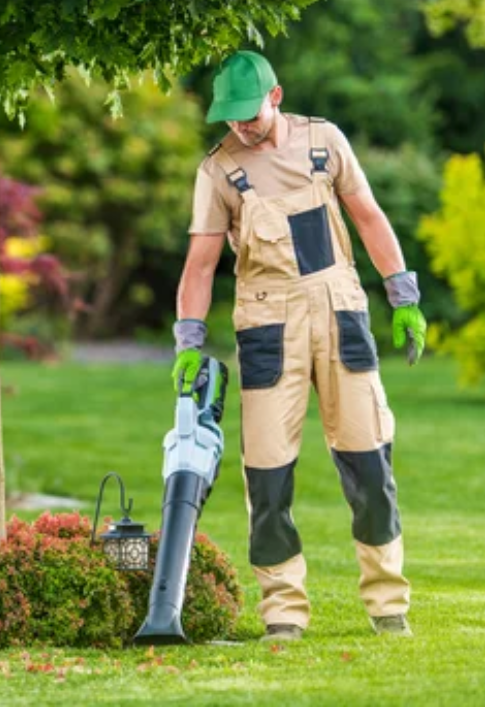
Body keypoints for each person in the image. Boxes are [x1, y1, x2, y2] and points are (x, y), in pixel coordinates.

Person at [171, 51, 427, 642]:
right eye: (229, 118)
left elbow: (367, 216)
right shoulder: (218, 172)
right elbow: (201, 263)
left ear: (276, 96)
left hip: (339, 311)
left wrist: (403, 294)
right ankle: (283, 611)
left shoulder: (325, 142)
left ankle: (388, 603)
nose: (240, 126)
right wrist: (189, 337)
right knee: (268, 476)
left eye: (249, 114)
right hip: (266, 323)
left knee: (369, 461)